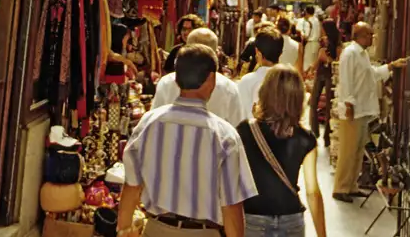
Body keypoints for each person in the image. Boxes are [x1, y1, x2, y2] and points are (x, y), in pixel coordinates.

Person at [118, 44, 258, 237]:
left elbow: (131, 185)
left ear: (176, 79)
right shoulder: (224, 136)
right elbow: (232, 205)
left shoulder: (148, 123)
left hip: (156, 230)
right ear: (212, 79)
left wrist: (124, 228)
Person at [236, 65, 327, 237]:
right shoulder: (305, 139)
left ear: (265, 93)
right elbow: (312, 191)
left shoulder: (244, 131)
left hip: (253, 218)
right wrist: (322, 234)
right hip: (291, 220)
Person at [333, 22, 409, 202]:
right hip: (353, 110)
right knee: (349, 150)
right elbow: (346, 81)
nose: (372, 38)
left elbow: (371, 75)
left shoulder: (362, 54)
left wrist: (390, 66)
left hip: (362, 109)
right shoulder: (350, 54)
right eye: (368, 35)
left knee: (358, 150)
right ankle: (341, 187)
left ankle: (351, 185)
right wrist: (349, 104)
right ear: (359, 35)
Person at [153, 28, 244, 127]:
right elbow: (237, 126)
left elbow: (155, 118)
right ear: (216, 54)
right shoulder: (229, 88)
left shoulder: (166, 82)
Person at [237, 25, 284, 119]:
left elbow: (242, 115)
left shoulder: (247, 81)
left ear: (258, 53)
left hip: (252, 132)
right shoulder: (289, 80)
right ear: (281, 53)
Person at [307, 21, 341, 147]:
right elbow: (318, 59)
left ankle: (327, 136)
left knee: (329, 106)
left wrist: (326, 59)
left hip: (330, 76)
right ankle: (313, 132)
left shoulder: (337, 45)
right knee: (312, 102)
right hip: (320, 73)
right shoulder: (322, 42)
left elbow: (337, 63)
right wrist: (312, 69)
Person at [297, 6, 321, 70]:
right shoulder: (317, 20)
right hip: (317, 44)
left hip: (310, 44)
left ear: (306, 12)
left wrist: (301, 34)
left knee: (307, 63)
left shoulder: (308, 22)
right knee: (313, 63)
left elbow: (306, 35)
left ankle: (307, 78)